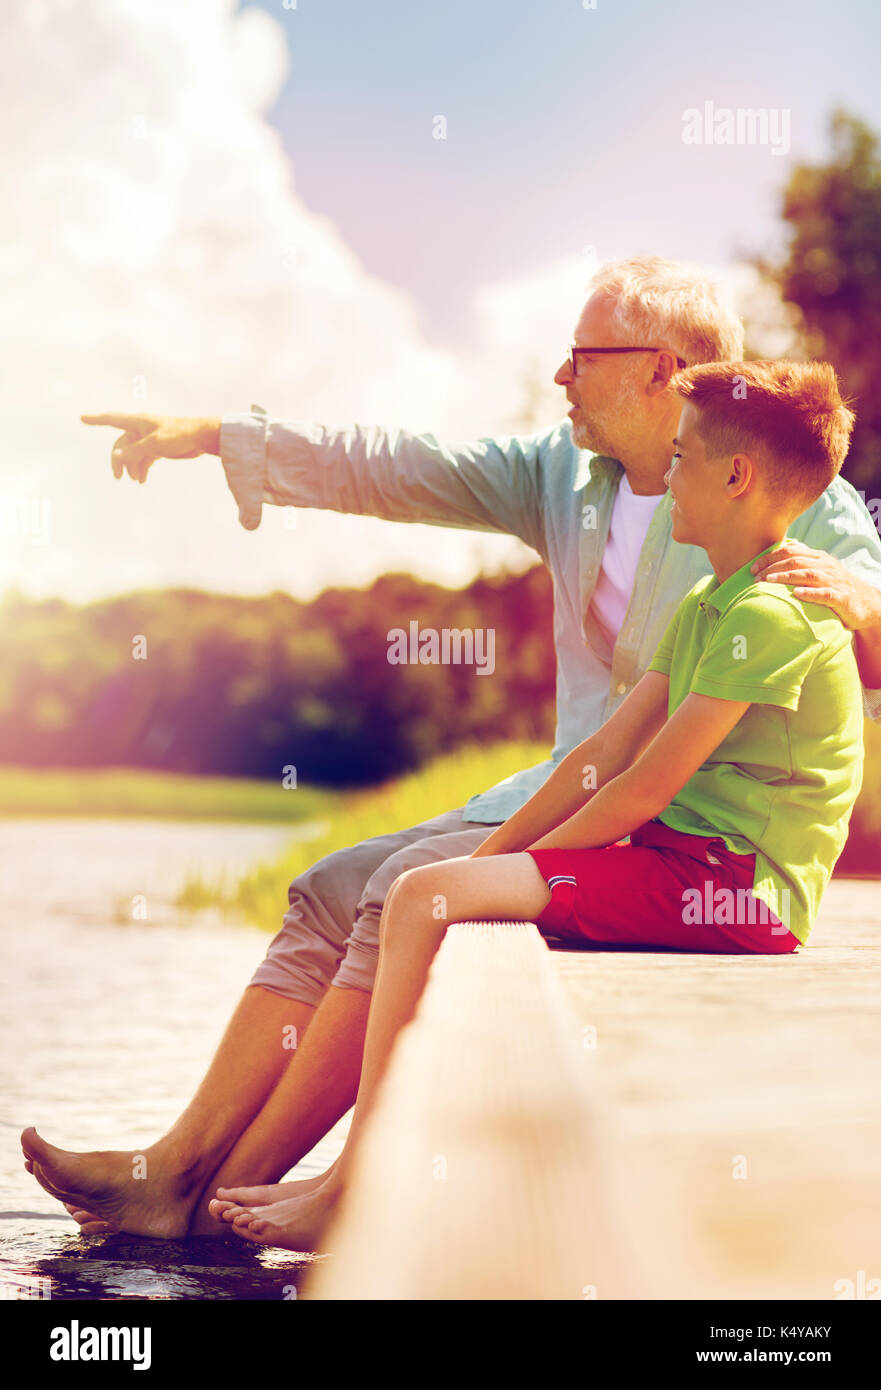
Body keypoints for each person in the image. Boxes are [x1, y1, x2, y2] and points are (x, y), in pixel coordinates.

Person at [21, 260, 881, 1239]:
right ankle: (180, 1162)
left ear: (659, 369)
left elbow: (855, 621)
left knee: (400, 889)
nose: (559, 377)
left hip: (686, 822)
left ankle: (219, 1200)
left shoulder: (788, 496)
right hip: (579, 778)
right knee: (331, 885)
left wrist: (865, 598)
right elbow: (399, 463)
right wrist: (223, 438)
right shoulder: (567, 477)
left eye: (581, 357)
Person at [204, 357, 866, 1250]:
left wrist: (497, 869)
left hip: (737, 888)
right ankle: (347, 1173)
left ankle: (354, 1181)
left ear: (736, 475)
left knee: (425, 893)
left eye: (680, 459)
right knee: (430, 887)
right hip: (679, 857)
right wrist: (491, 857)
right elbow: (600, 754)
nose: (665, 480)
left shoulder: (771, 616)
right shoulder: (713, 599)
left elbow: (642, 788)